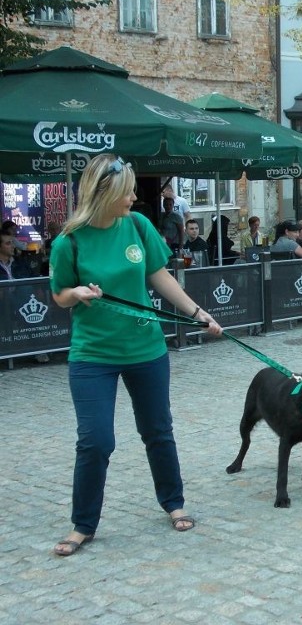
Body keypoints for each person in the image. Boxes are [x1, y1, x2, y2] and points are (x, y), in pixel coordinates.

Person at [48, 154, 223, 557]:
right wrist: (75, 294)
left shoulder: (139, 226)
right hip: (93, 354)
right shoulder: (68, 241)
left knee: (157, 430)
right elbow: (59, 295)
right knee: (95, 440)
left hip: (145, 349)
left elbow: (159, 276)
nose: (133, 196)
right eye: (126, 190)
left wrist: (198, 313)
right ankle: (83, 525)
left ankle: (173, 502)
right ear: (104, 192)